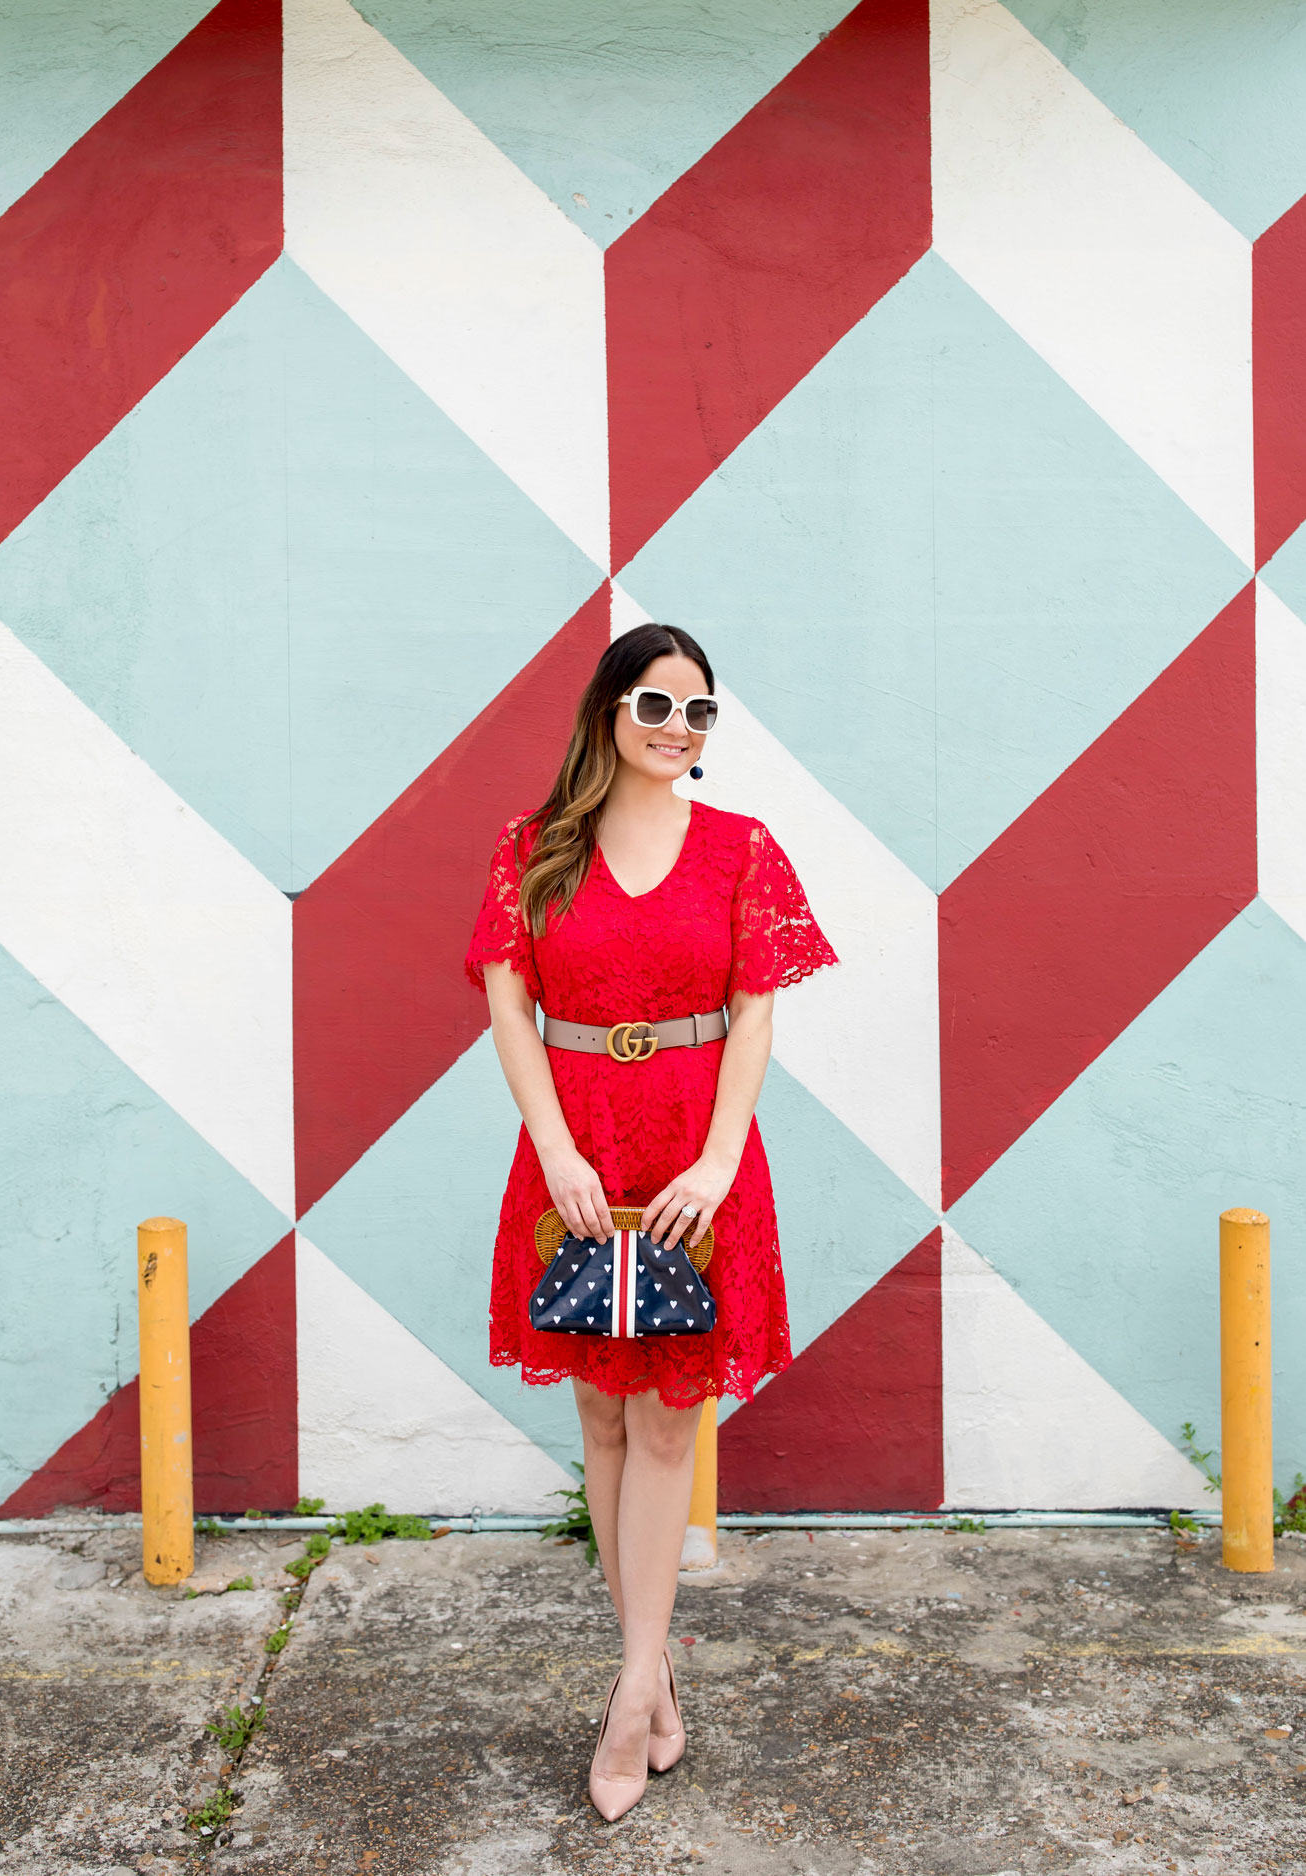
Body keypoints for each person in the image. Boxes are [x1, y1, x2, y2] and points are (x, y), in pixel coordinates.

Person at [463, 623, 838, 1821]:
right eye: (656, 704)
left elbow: (755, 1014)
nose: (678, 728)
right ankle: (652, 1665)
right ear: (608, 711)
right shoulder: (533, 849)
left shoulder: (740, 850)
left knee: (670, 1420)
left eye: (699, 711)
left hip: (690, 1159)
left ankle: (629, 1694)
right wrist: (559, 1148)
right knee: (602, 1419)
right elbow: (508, 1007)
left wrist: (721, 1160)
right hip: (575, 1153)